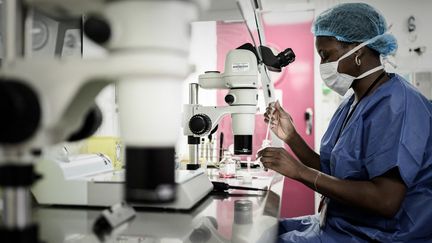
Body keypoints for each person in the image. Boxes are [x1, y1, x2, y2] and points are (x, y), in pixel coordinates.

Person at [258, 3, 432, 242]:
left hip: (378, 234)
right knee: (261, 231)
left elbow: (386, 200)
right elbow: (333, 172)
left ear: (358, 52)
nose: (323, 66)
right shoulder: (354, 101)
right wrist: (291, 137)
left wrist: (298, 172)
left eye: (326, 55)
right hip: (341, 223)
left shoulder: (398, 105)